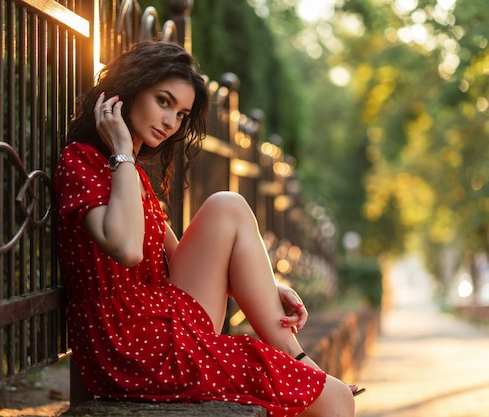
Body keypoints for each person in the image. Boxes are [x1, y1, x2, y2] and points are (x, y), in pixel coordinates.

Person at [55, 40, 357, 417]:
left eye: (181, 114)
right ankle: (306, 367)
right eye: (163, 101)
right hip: (131, 347)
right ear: (127, 92)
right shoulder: (82, 161)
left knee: (227, 204)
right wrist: (121, 152)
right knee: (336, 400)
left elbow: (184, 260)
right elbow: (128, 249)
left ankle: (303, 363)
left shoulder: (130, 174)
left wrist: (262, 286)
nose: (170, 122)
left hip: (164, 320)